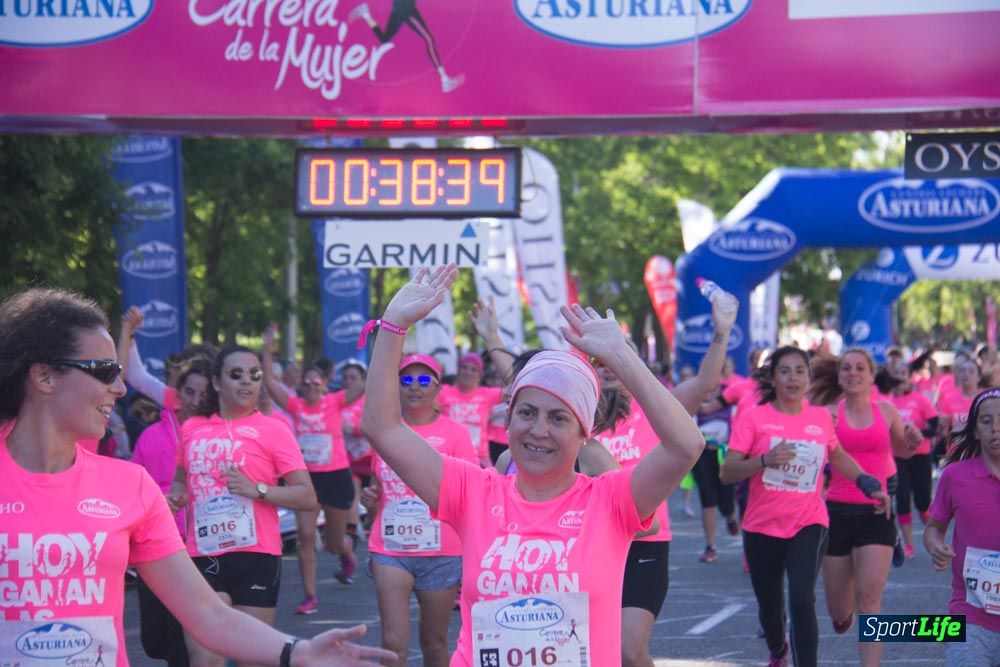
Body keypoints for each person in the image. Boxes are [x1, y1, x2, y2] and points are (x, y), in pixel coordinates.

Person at [0, 287, 395, 667]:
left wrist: (299, 651)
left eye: (118, 373)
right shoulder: (190, 431)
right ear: (45, 376)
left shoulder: (130, 487)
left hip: (255, 554)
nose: (119, 388)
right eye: (104, 371)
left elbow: (208, 615)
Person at [360, 265, 706, 666]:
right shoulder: (471, 491)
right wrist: (392, 328)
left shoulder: (609, 499)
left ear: (584, 433)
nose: (538, 430)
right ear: (508, 421)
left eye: (559, 418)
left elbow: (686, 445)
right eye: (526, 412)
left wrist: (622, 357)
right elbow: (382, 427)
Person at [592, 284, 736, 667]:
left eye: (614, 359)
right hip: (592, 542)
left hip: (646, 541)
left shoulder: (653, 408)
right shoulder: (574, 417)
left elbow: (706, 384)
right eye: (598, 361)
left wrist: (721, 329)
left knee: (628, 651)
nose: (606, 367)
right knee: (595, 651)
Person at [721, 346, 892, 667]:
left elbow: (838, 456)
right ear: (773, 378)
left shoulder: (819, 418)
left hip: (808, 522)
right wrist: (763, 460)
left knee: (802, 600)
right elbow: (728, 472)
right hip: (761, 527)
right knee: (771, 611)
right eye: (785, 371)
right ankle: (777, 649)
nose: (793, 378)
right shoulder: (753, 418)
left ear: (809, 378)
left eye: (800, 371)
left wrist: (870, 484)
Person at [169, 344, 320, 667]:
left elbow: (306, 497)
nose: (246, 382)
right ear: (216, 382)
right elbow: (181, 481)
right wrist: (177, 498)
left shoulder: (274, 430)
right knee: (205, 657)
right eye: (235, 374)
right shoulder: (192, 428)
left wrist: (258, 490)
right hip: (203, 555)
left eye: (254, 375)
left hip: (257, 556)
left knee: (252, 660)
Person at [810, 348, 922, 667]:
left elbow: (902, 449)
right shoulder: (828, 412)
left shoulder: (886, 411)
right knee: (839, 612)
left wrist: (911, 441)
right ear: (839, 375)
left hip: (877, 511)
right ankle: (843, 614)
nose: (853, 373)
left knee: (870, 601)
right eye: (847, 368)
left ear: (872, 376)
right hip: (836, 513)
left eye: (861, 368)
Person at [364, 352, 477, 666]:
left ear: (438, 388)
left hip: (441, 552)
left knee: (435, 644)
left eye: (424, 380)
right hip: (390, 549)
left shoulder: (456, 434)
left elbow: (471, 490)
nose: (415, 386)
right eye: (407, 380)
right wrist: (370, 499)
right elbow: (377, 486)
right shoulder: (385, 432)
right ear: (397, 387)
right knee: (393, 642)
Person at [261, 325, 357, 614]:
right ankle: (310, 597)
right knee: (305, 537)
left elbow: (367, 385)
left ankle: (346, 551)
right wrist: (267, 347)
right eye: (308, 383)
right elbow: (269, 380)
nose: (313, 387)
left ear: (325, 386)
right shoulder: (295, 405)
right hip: (308, 479)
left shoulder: (335, 401)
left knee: (332, 543)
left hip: (337, 477)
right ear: (302, 387)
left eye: (318, 383)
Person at [130, 358, 211, 667]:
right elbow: (134, 486)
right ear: (178, 393)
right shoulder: (152, 436)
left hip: (202, 550)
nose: (194, 402)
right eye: (188, 392)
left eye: (202, 395)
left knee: (183, 640)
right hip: (157, 545)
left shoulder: (218, 435)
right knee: (155, 640)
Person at [924, 388, 1000, 666]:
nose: (996, 429)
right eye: (987, 421)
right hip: (968, 617)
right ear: (976, 430)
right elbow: (934, 528)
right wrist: (936, 547)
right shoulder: (956, 476)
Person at [348, 0, 464, 93]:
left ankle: (365, 14)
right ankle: (445, 80)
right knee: (429, 40)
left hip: (401, 6)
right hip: (406, 8)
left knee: (384, 38)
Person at [887, 358, 938, 559]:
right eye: (896, 373)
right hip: (897, 457)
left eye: (903, 373)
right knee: (902, 499)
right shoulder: (886, 401)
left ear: (909, 378)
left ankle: (934, 535)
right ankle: (909, 544)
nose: (900, 377)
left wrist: (916, 432)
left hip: (920, 456)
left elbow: (934, 428)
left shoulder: (920, 400)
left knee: (923, 502)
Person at [437, 352, 503, 468]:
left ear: (480, 375)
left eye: (473, 369)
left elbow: (513, 389)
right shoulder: (443, 392)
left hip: (479, 459)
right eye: (464, 367)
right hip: (448, 456)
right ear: (458, 370)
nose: (468, 372)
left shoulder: (487, 395)